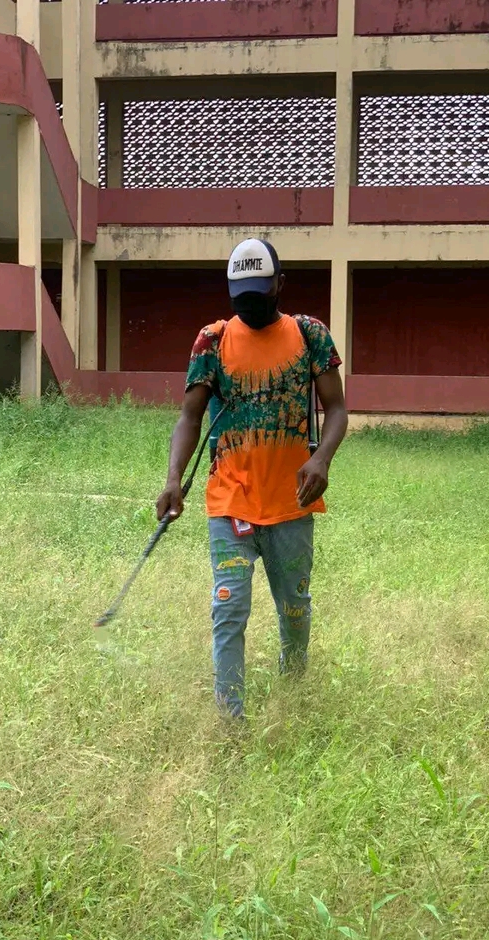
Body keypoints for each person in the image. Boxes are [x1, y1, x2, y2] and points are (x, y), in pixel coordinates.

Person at [156, 238, 348, 720]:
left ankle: (295, 693)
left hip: (291, 503)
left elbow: (338, 409)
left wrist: (322, 458)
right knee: (229, 612)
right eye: (241, 299)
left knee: (295, 612)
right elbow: (189, 417)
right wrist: (174, 477)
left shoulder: (310, 335)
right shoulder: (212, 341)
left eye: (259, 298)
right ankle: (230, 720)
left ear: (280, 286)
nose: (250, 308)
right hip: (231, 504)